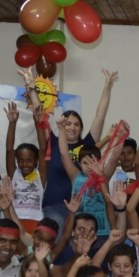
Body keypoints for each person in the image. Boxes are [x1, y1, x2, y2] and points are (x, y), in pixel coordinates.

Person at [41, 69, 116, 227]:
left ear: (81, 128)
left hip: (84, 207)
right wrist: (30, 84)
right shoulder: (54, 141)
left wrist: (108, 86)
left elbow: (100, 117)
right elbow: (39, 116)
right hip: (55, 205)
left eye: (76, 124)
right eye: (68, 123)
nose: (72, 127)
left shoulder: (87, 145)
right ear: (62, 124)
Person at [4, 100, 49, 234]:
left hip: (35, 222)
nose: (24, 164)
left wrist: (38, 124)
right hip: (14, 220)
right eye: (21, 161)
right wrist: (12, 123)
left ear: (36, 161)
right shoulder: (15, 174)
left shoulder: (39, 176)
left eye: (29, 160)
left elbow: (43, 149)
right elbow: (9, 149)